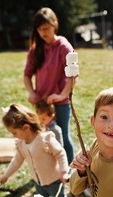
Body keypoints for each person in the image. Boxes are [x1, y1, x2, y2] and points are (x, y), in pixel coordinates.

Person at [0, 103, 87, 197]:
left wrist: (64, 171)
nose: (13, 136)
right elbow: (17, 160)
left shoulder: (45, 139)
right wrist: (6, 175)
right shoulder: (21, 144)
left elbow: (60, 153)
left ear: (26, 127)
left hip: (54, 180)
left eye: (14, 132)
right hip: (38, 181)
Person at [23, 7, 75, 165]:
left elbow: (72, 76)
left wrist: (61, 95)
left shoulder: (64, 47)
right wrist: (32, 92)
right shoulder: (35, 49)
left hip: (60, 103)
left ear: (55, 24)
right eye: (40, 29)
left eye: (46, 28)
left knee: (62, 135)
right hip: (42, 104)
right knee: (45, 135)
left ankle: (70, 169)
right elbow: (27, 75)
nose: (43, 32)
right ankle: (53, 167)